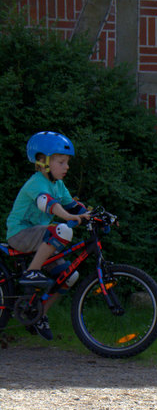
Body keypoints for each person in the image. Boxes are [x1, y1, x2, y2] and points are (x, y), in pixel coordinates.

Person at [6, 131, 90, 340]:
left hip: (40, 238)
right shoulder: (37, 183)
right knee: (62, 230)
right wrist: (69, 216)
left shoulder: (58, 184)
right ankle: (32, 272)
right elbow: (50, 205)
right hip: (20, 234)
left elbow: (72, 205)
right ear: (43, 162)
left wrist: (92, 215)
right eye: (61, 162)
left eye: (67, 162)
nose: (66, 167)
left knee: (69, 276)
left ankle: (38, 314)